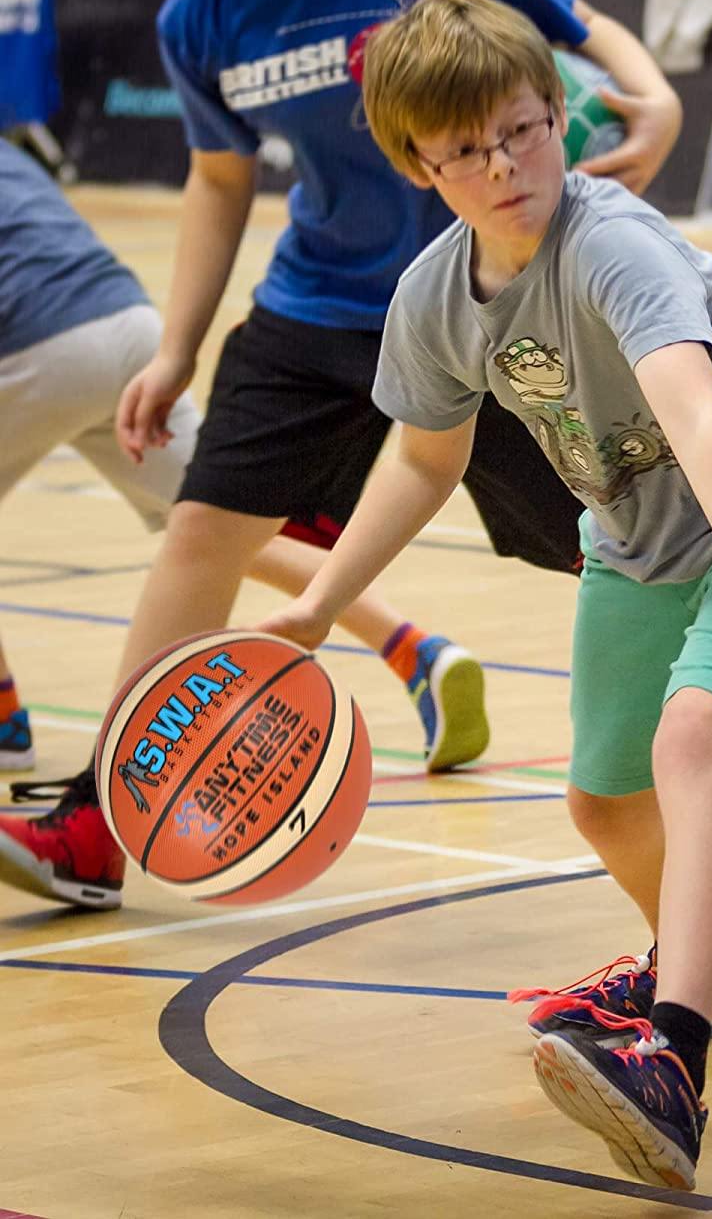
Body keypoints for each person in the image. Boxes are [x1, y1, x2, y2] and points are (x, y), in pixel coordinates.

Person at [0, 0, 684, 908]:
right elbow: (221, 184)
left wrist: (657, 99)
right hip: (317, 305)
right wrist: (174, 348)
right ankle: (108, 821)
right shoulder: (200, 12)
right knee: (201, 534)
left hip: (489, 301)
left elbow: (583, 27)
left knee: (596, 546)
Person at [256, 0, 712, 1192]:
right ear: (417, 163)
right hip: (635, 537)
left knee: (693, 743)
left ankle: (673, 1055)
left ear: (558, 114)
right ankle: (701, 972)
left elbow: (697, 410)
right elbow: (425, 459)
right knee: (603, 802)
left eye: (526, 129)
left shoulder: (615, 243)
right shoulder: (434, 298)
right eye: (468, 150)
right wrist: (321, 600)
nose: (505, 163)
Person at [0, 138, 482, 909]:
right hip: (124, 330)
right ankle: (413, 648)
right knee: (214, 530)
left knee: (210, 533)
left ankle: (8, 727)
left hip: (32, 342)